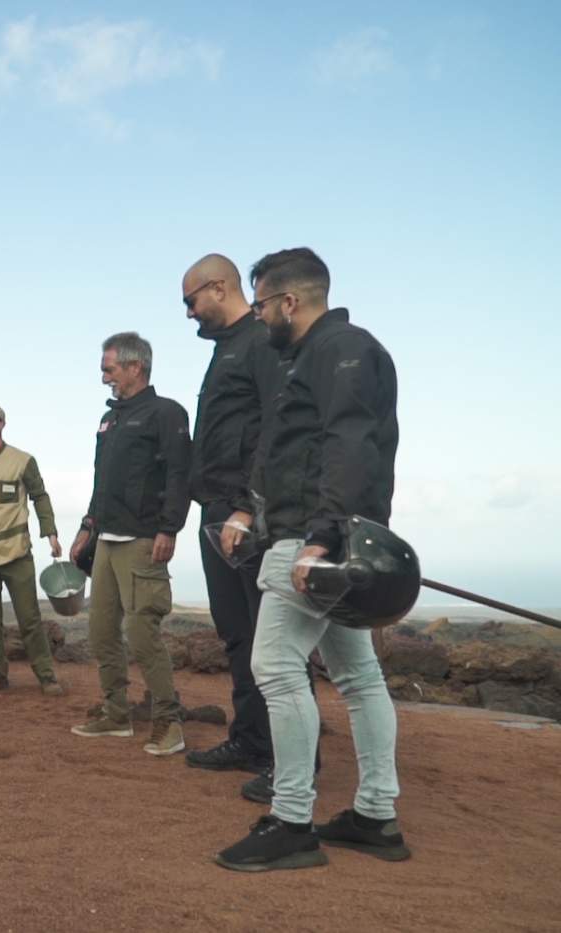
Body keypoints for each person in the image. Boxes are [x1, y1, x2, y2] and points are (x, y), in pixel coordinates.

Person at [215, 248, 409, 872]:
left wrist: (321, 539)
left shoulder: (341, 350)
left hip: (316, 539)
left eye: (265, 303)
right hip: (318, 532)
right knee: (358, 677)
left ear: (289, 302)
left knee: (272, 663)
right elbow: (292, 449)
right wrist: (249, 508)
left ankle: (292, 820)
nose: (262, 314)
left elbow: (350, 444)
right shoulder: (313, 357)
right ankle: (376, 816)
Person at [180, 254, 282, 785]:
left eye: (190, 301)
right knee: (238, 636)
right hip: (216, 512)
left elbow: (275, 428)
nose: (189, 313)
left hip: (248, 517)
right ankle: (250, 741)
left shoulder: (262, 342)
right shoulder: (227, 350)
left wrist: (248, 505)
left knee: (271, 640)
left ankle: (288, 761)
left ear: (218, 288)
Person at [69, 333, 191, 756]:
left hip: (144, 540)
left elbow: (179, 475)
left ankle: (168, 722)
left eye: (109, 369)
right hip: (106, 539)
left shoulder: (166, 413)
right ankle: (116, 715)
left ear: (135, 367)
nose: (105, 378)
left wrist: (169, 529)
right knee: (101, 632)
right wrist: (87, 526)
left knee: (142, 635)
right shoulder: (111, 420)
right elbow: (102, 482)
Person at [0, 403, 67, 697]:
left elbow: (40, 496)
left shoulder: (22, 461)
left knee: (29, 618)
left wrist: (51, 534)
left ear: (2, 424)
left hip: (16, 553)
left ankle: (47, 677)